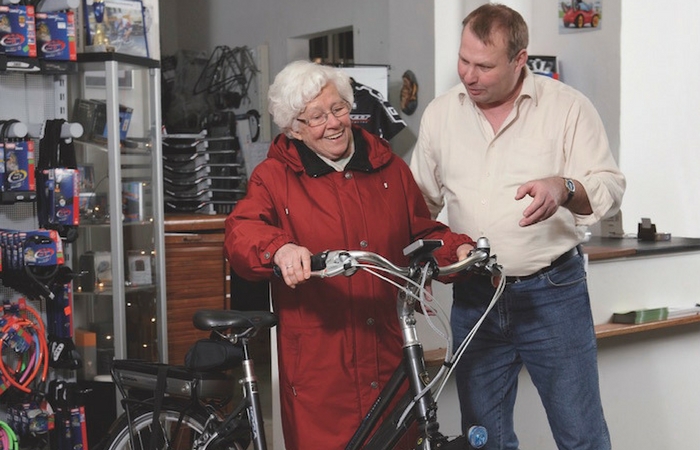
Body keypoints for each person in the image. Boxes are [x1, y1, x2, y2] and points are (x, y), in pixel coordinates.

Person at [223, 60, 476, 450]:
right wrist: (279, 248)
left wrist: (455, 247)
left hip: (389, 348)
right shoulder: (273, 178)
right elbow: (242, 233)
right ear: (295, 129)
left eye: (338, 108)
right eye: (317, 117)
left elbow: (420, 232)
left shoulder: (389, 167)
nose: (334, 123)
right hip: (321, 363)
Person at [409, 4, 625, 450]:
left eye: (484, 66)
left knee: (580, 436)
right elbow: (419, 205)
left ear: (519, 60)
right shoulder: (440, 114)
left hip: (553, 295)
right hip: (474, 297)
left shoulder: (567, 107)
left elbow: (608, 186)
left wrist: (564, 187)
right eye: (463, 60)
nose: (469, 75)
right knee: (484, 440)